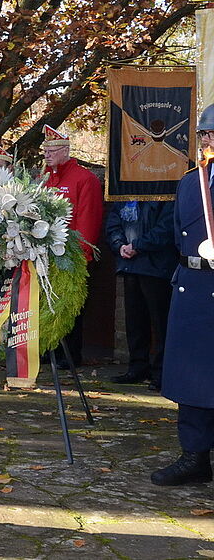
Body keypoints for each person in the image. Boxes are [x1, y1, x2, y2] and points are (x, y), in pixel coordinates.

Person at [151, 104, 214, 486]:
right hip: (192, 286)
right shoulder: (192, 181)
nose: (207, 140)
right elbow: (179, 234)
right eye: (204, 134)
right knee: (191, 378)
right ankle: (194, 456)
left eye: (213, 133)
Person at [41, 125, 104, 368]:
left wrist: (82, 254)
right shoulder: (44, 178)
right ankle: (49, 349)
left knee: (69, 304)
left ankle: (69, 354)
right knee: (47, 303)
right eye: (45, 150)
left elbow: (88, 218)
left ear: (66, 150)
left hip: (71, 254)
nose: (47, 154)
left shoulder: (84, 179)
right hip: (44, 253)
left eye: (52, 150)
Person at [105, 199, 176, 391]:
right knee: (134, 321)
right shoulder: (126, 192)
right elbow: (113, 221)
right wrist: (119, 245)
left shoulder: (166, 190)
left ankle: (161, 372)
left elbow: (167, 228)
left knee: (161, 323)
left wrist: (138, 245)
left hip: (157, 266)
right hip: (131, 265)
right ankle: (137, 367)